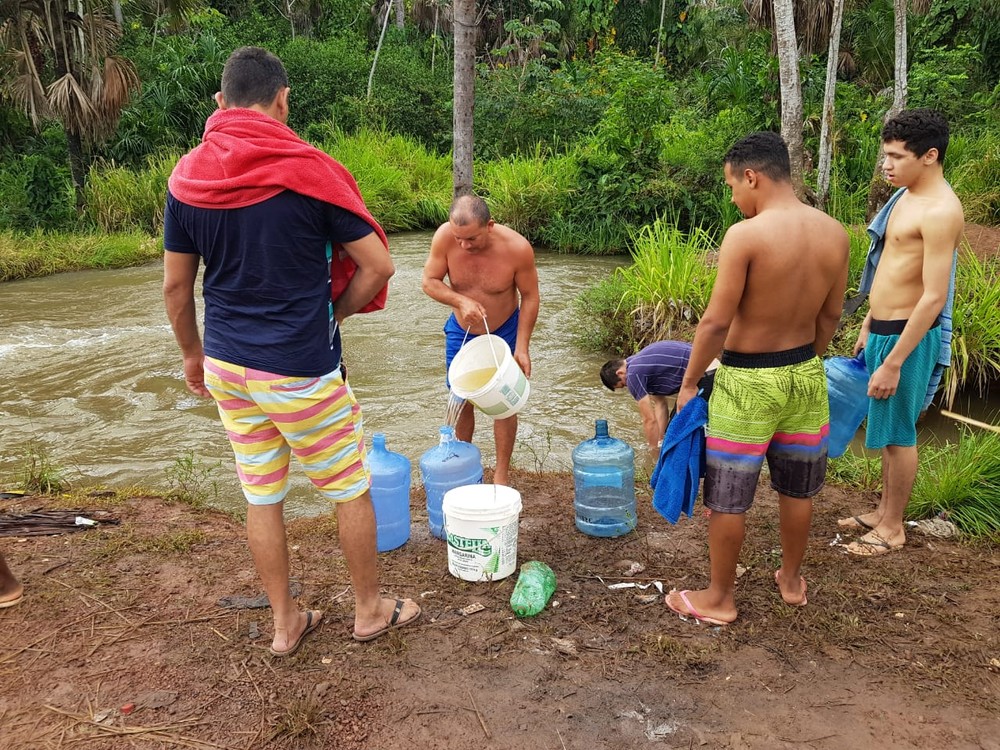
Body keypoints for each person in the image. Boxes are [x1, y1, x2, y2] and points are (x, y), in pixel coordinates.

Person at [163, 46, 420, 656]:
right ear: (282, 100)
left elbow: (176, 287)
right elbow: (378, 264)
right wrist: (333, 311)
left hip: (227, 363)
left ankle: (284, 625)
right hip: (299, 366)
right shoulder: (308, 171)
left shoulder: (189, 178)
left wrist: (193, 356)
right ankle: (369, 611)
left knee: (261, 493)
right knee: (349, 485)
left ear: (221, 103)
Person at [667, 131, 849, 625]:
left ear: (752, 176)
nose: (733, 198)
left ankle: (719, 599)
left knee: (729, 494)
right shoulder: (835, 233)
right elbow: (830, 316)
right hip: (807, 373)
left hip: (747, 382)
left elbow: (715, 322)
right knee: (798, 488)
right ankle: (790, 580)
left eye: (732, 187)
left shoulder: (746, 236)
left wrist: (688, 385)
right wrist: (805, 362)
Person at [838, 109, 964, 557]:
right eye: (884, 155)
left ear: (930, 156)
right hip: (884, 329)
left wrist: (892, 361)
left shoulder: (940, 210)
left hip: (909, 338)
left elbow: (932, 297)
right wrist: (869, 323)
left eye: (895, 157)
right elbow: (891, 267)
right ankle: (882, 511)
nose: (885, 166)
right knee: (887, 429)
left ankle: (893, 528)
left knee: (899, 433)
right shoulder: (906, 196)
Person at [422, 194, 540, 486]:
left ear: (490, 225)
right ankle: (465, 465)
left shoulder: (517, 249)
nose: (464, 245)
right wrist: (460, 301)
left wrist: (522, 347)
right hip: (462, 330)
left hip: (505, 328)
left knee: (504, 401)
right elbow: (429, 282)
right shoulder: (444, 238)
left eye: (471, 238)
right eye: (458, 238)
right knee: (461, 397)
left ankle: (501, 473)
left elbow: (531, 296)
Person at [601, 341, 719, 450]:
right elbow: (660, 405)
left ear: (620, 373)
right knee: (671, 436)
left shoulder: (633, 374)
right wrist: (660, 441)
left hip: (706, 373)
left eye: (623, 384)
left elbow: (649, 419)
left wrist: (652, 451)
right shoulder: (641, 365)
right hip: (711, 368)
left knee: (678, 435)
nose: (628, 386)